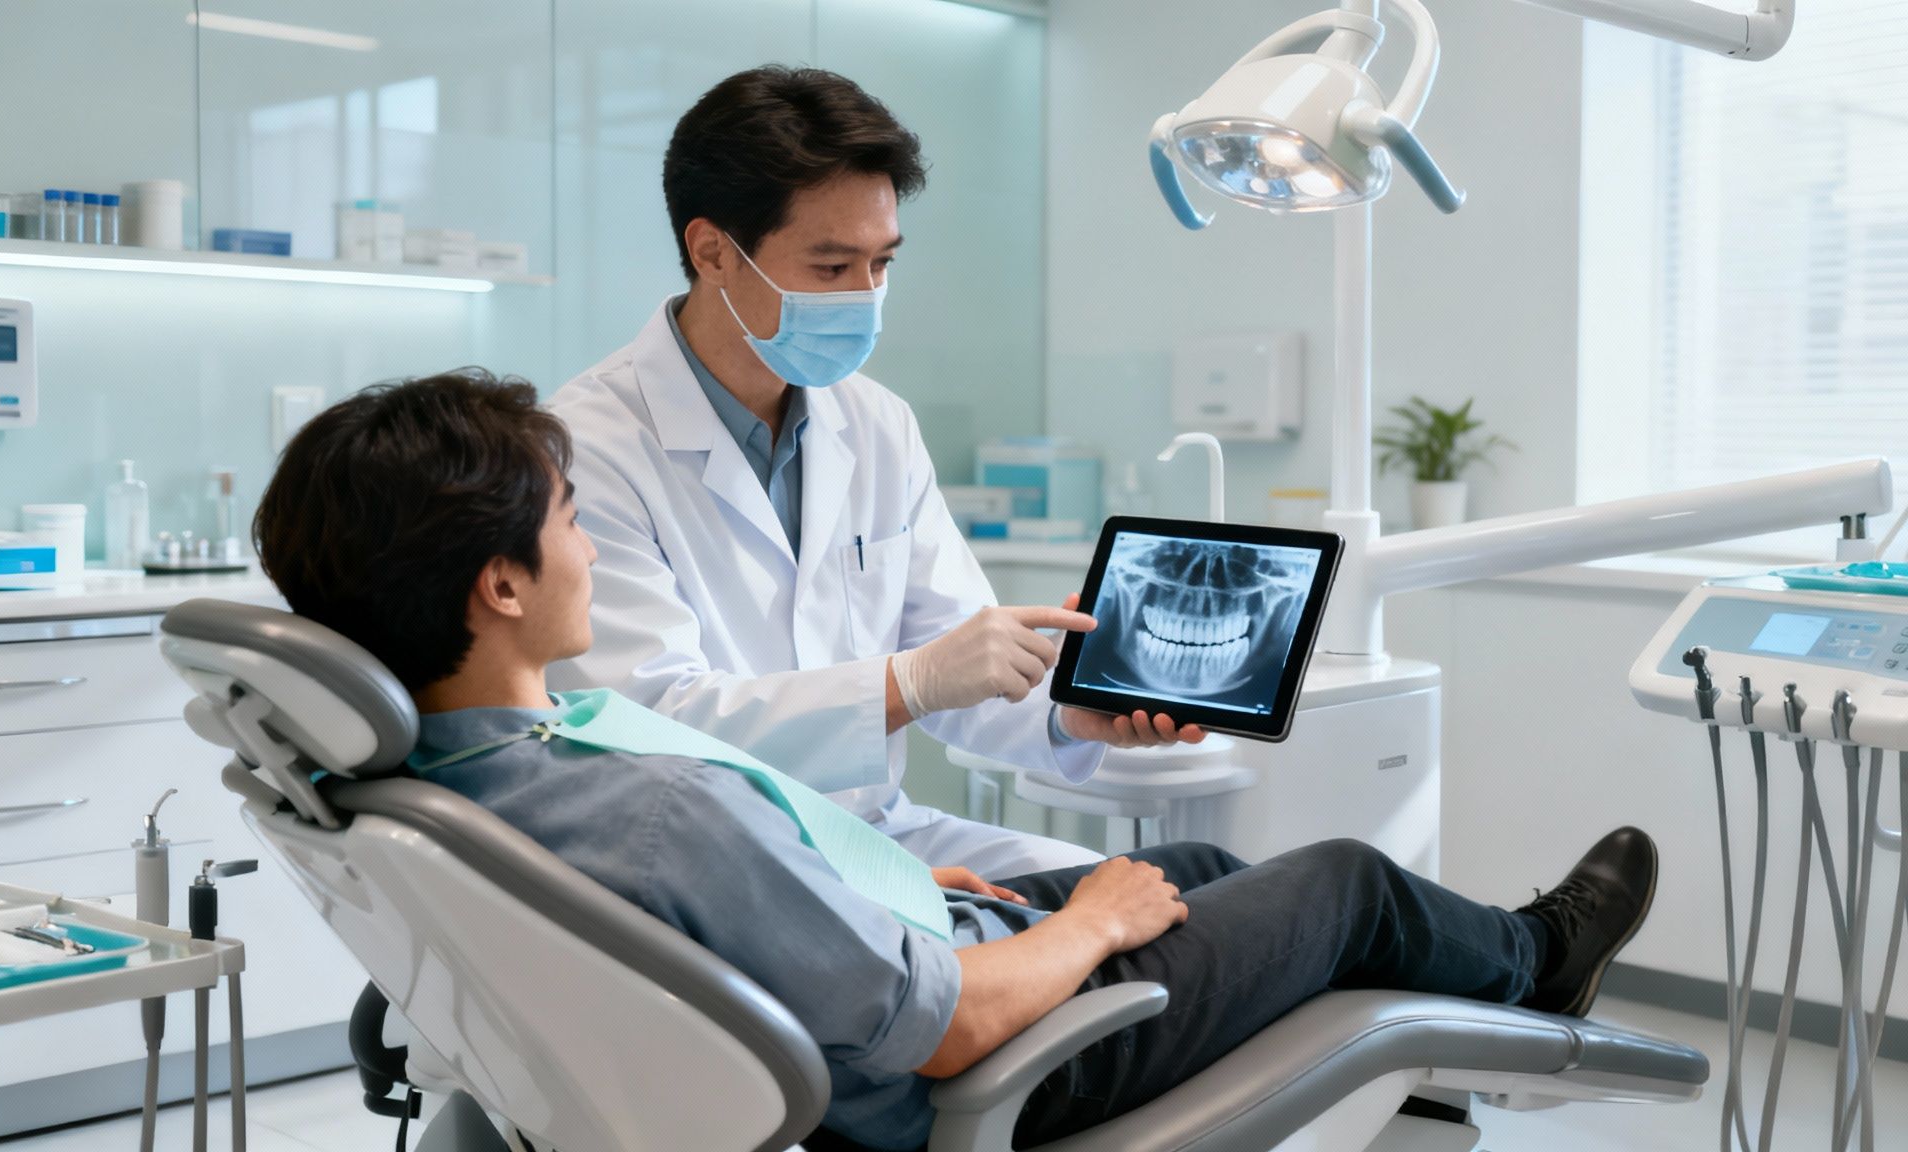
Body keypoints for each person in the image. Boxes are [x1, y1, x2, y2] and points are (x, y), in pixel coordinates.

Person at [255, 370, 1662, 1152]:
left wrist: (996, 772)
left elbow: (800, 815)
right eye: (569, 522)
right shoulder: (653, 802)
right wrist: (1090, 924)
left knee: (1207, 871)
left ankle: (1403, 1072)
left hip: (894, 927)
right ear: (498, 586)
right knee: (1347, 882)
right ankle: (1543, 959)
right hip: (986, 1061)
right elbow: (950, 1028)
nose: (594, 546)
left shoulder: (477, 777)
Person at [548, 66, 1189, 880]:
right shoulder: (587, 448)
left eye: (882, 263)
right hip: (713, 865)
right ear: (712, 250)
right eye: (830, 268)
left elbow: (957, 658)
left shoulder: (876, 423)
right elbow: (652, 725)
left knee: (1163, 892)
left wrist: (1068, 714)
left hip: (880, 837)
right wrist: (909, 682)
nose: (865, 296)